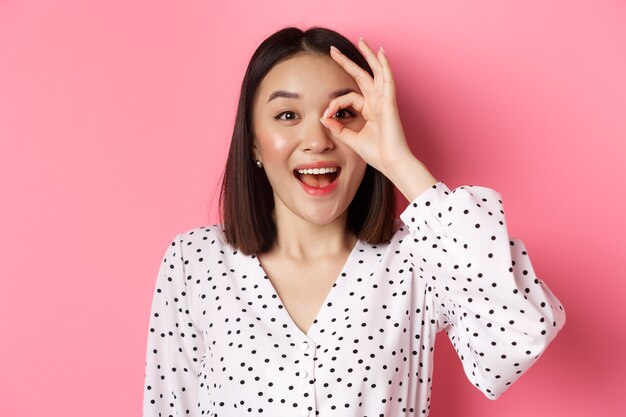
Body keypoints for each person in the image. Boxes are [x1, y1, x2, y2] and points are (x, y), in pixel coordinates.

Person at [143, 27, 565, 417]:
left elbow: (517, 335)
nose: (318, 140)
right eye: (288, 115)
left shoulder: (417, 259)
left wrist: (399, 163)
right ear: (253, 140)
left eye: (342, 113)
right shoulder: (194, 263)